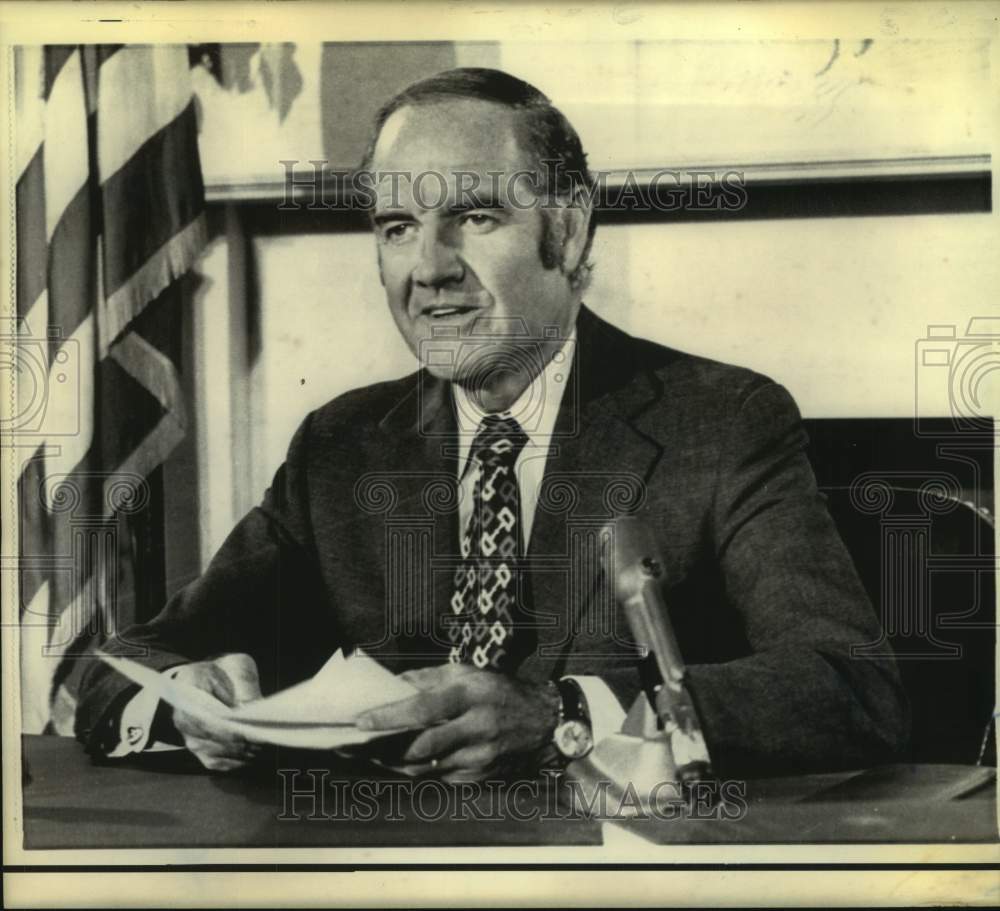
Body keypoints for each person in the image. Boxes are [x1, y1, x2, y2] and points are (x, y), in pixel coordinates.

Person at [73, 68, 907, 782]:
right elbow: (131, 660)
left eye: (473, 217)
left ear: (570, 228)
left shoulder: (721, 423)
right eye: (397, 228)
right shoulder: (341, 445)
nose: (429, 268)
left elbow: (850, 687)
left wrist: (561, 717)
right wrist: (191, 704)